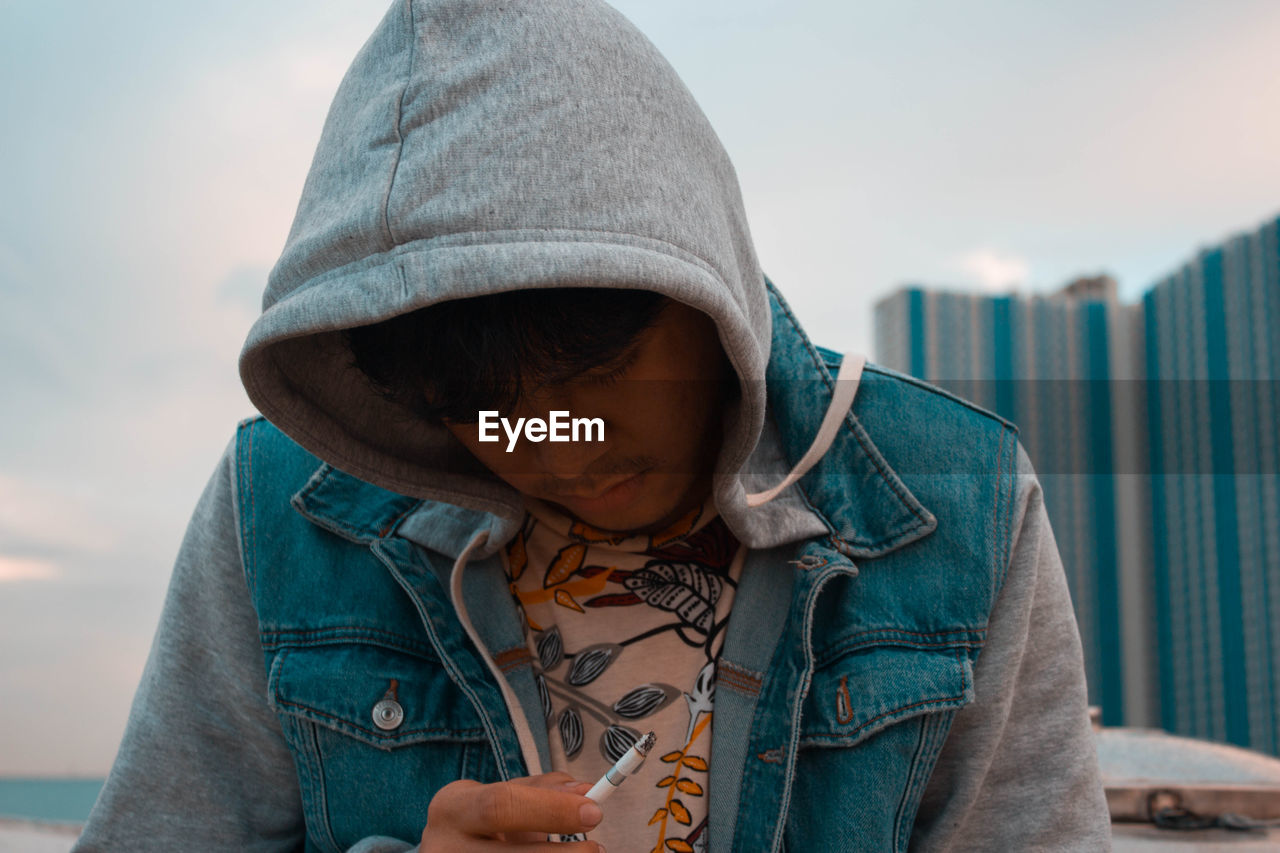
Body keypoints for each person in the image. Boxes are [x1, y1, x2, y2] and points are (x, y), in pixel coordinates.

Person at [74, 1, 1111, 851]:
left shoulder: (951, 499)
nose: (552, 445)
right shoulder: (283, 512)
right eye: (477, 411)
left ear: (702, 290)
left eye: (596, 373)